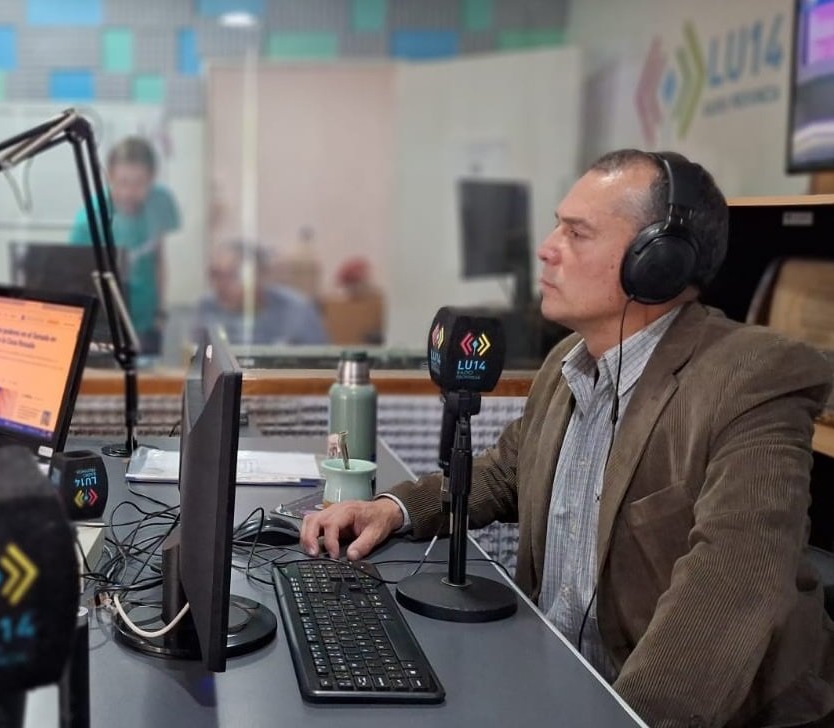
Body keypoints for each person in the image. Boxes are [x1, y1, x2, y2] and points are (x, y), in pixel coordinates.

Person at [301, 150, 834, 727]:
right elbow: (505, 473)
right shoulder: (569, 363)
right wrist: (393, 509)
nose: (546, 248)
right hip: (560, 678)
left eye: (577, 233)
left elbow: (732, 584)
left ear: (658, 261)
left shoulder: (754, 377)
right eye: (558, 225)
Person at [68, 136, 180, 354]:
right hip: (106, 325)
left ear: (152, 178)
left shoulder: (161, 202)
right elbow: (76, 282)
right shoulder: (89, 220)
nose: (129, 192)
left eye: (139, 183)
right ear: (109, 176)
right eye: (123, 182)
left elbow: (159, 257)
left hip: (148, 320)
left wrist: (160, 313)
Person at [193, 241, 329, 346]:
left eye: (233, 275)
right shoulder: (208, 307)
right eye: (215, 274)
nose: (221, 284)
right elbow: (195, 361)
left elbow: (322, 365)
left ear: (260, 276)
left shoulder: (296, 310)